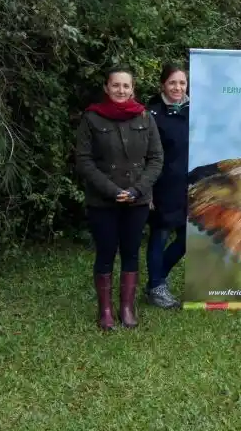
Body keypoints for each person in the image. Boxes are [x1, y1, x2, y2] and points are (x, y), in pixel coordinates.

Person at [75, 66, 164, 331]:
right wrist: (112, 191)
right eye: (116, 85)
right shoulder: (92, 119)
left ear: (133, 89)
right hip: (103, 201)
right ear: (106, 87)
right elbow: (84, 160)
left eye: (126, 86)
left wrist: (138, 190)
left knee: (130, 253)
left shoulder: (145, 118)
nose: (121, 90)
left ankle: (126, 307)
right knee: (105, 253)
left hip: (137, 200)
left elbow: (156, 158)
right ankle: (105, 311)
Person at [144, 63, 190, 309]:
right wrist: (147, 189)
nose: (177, 87)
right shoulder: (152, 114)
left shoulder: (196, 111)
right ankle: (157, 286)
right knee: (159, 236)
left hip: (190, 185)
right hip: (163, 186)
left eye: (182, 83)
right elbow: (145, 155)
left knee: (187, 239)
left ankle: (155, 280)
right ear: (163, 84)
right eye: (172, 82)